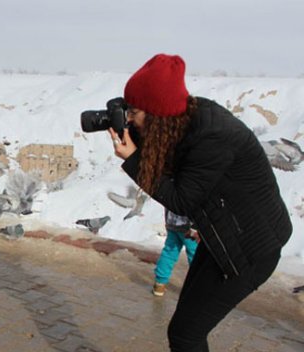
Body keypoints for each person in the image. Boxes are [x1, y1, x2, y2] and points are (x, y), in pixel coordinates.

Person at [108, 54, 292, 351]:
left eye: (135, 111)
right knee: (183, 328)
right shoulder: (186, 120)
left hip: (250, 251)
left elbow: (181, 199)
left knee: (186, 334)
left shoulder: (212, 136)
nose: (129, 117)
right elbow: (172, 159)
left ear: (157, 113)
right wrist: (136, 139)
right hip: (223, 237)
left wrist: (134, 160)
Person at [152, 209, 198, 297]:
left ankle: (159, 284)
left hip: (172, 223)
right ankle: (199, 286)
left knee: (169, 252)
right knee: (195, 256)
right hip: (189, 228)